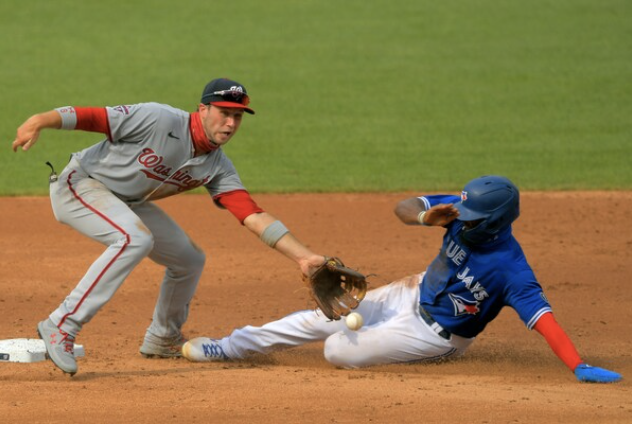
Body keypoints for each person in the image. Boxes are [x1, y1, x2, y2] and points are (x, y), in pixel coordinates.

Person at [11, 78, 329, 376]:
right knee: (134, 238)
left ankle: (163, 337)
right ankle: (62, 324)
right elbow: (95, 118)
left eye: (238, 116)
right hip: (81, 183)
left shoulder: (217, 165)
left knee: (188, 260)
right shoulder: (158, 118)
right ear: (202, 109)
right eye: (224, 113)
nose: (231, 124)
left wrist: (304, 258)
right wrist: (40, 120)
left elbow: (252, 215)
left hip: (127, 201)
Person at [182, 175, 622, 384]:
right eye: (460, 211)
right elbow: (404, 206)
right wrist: (426, 216)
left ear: (496, 221)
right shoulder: (456, 211)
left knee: (337, 349)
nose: (460, 219)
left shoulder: (511, 270)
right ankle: (232, 345)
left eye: (470, 217)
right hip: (409, 293)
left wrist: (576, 363)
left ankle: (404, 346)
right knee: (325, 318)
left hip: (435, 337)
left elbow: (545, 319)